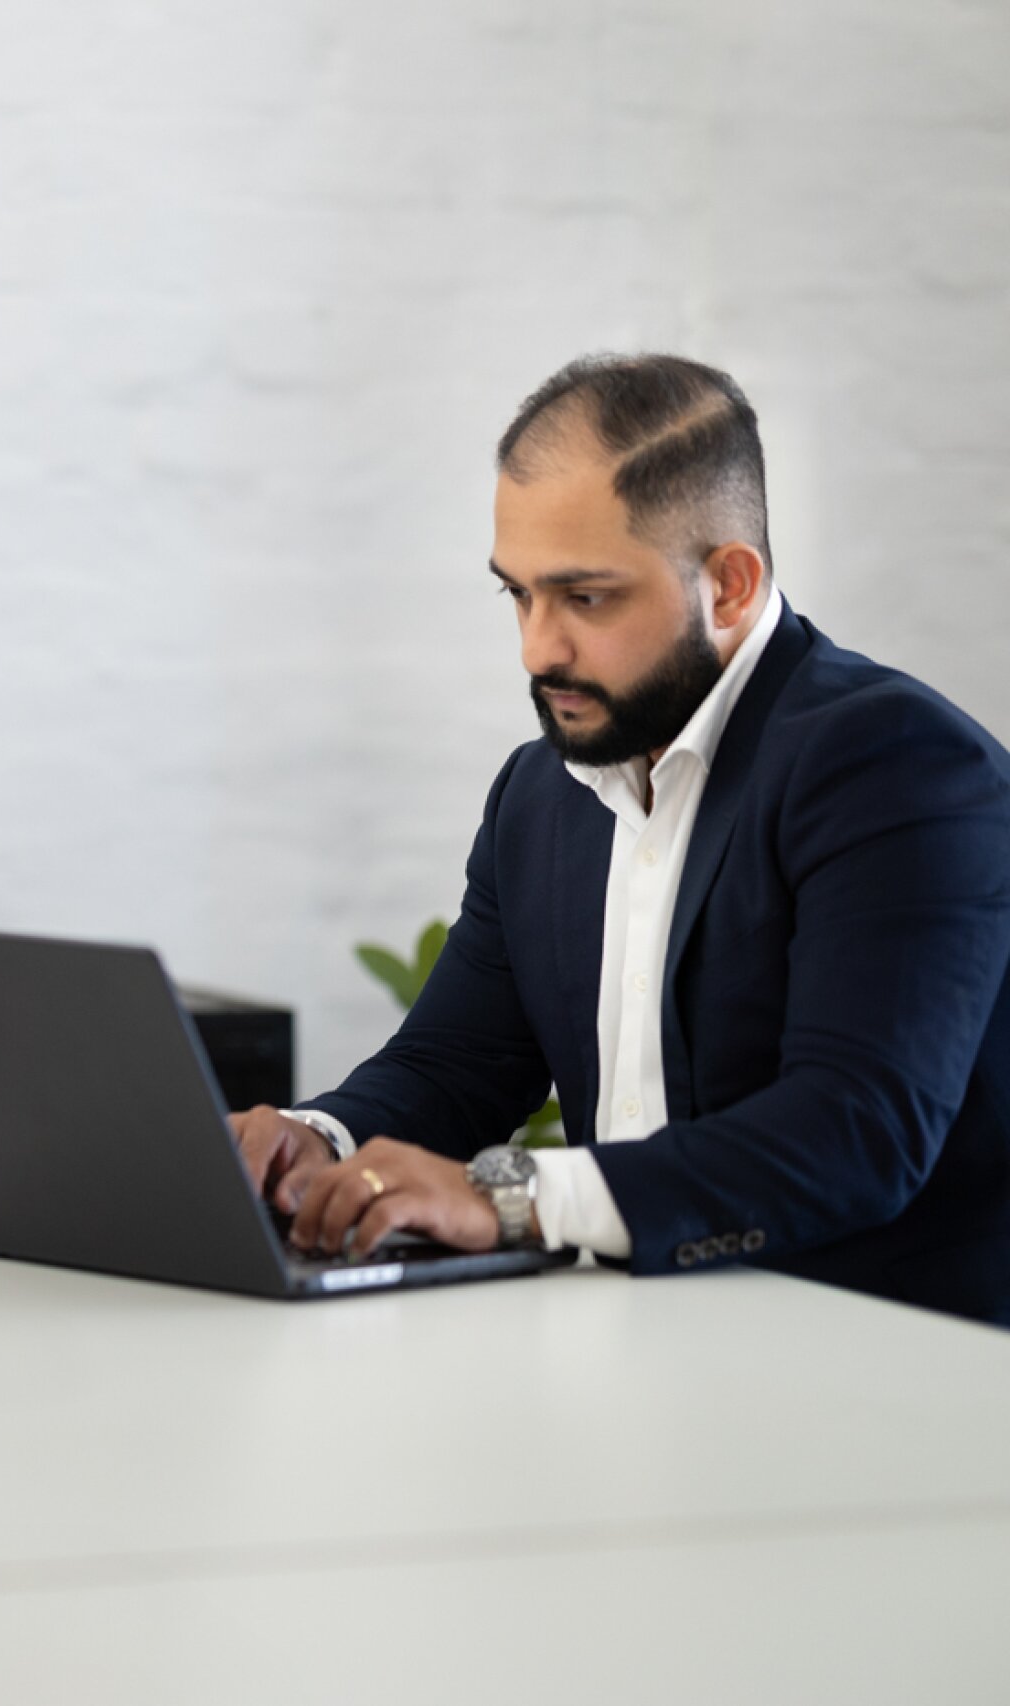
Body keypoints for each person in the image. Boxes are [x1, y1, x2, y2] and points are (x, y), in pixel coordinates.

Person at [234, 353, 1010, 1327]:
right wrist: (316, 1140)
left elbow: (855, 1131)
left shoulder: (895, 762)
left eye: (586, 598)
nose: (537, 648)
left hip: (894, 1365)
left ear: (729, 585)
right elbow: (452, 1066)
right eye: (517, 594)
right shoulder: (539, 794)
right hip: (639, 1351)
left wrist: (511, 1198)